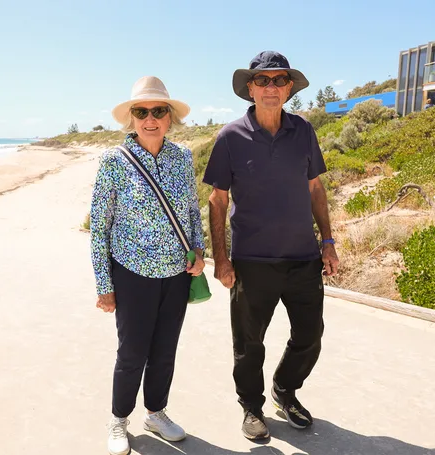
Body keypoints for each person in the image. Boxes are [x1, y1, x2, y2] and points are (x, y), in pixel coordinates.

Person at [202, 51, 340, 440]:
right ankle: (251, 406)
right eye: (263, 80)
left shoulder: (304, 132)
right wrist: (222, 259)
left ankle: (285, 389)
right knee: (249, 343)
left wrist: (327, 242)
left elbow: (316, 188)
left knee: (310, 335)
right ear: (250, 88)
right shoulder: (231, 137)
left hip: (302, 257)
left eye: (279, 80)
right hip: (252, 261)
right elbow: (218, 199)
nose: (271, 88)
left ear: (289, 88)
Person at [90, 76, 206, 455]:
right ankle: (118, 421)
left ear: (170, 117)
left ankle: (156, 413)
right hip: (132, 273)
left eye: (159, 111)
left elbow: (191, 211)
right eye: (142, 112)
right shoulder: (113, 161)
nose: (150, 118)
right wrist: (103, 284)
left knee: (164, 350)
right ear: (132, 118)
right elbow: (99, 228)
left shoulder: (182, 158)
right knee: (132, 352)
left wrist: (199, 252)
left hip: (175, 273)